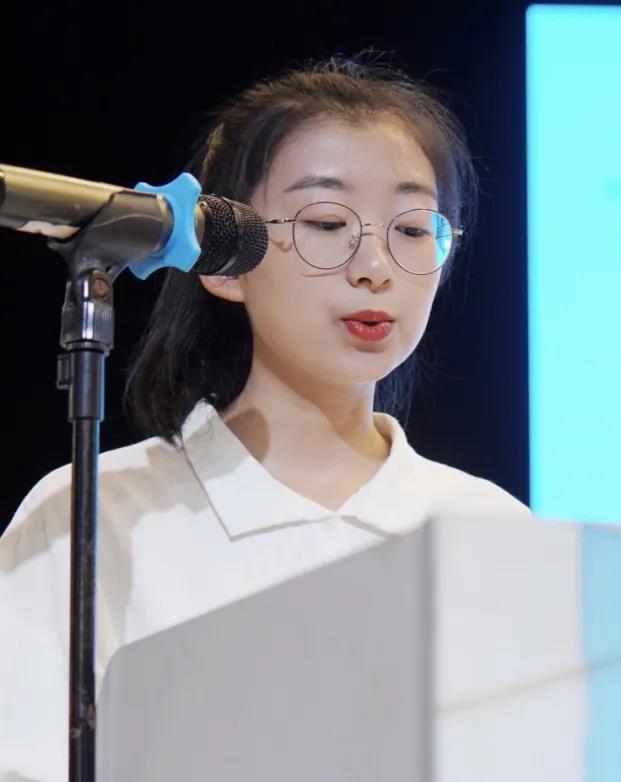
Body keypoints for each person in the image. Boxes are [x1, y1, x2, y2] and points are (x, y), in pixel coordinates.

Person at [0, 56, 528, 781]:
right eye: (327, 223)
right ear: (225, 260)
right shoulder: (94, 516)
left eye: (412, 229)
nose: (375, 265)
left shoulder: (492, 531)